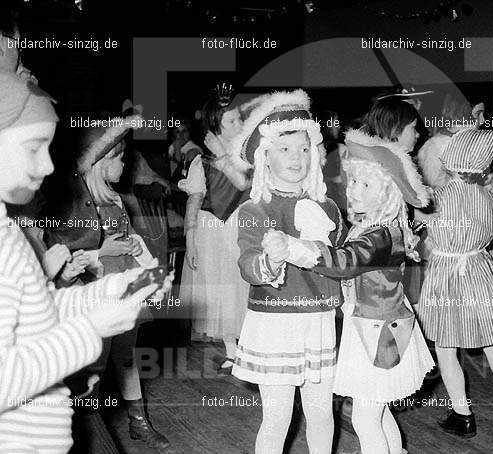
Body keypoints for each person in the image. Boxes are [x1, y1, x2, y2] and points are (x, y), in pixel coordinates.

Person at [0, 71, 166, 454]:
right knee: (97, 376)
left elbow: (34, 313)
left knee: (121, 361)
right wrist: (88, 328)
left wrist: (107, 292)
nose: (48, 166)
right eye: (33, 148)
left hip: (46, 434)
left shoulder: (9, 232)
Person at [270, 110, 435, 454]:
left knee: (364, 418)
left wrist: (296, 248)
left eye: (365, 185)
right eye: (353, 182)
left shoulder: (378, 237)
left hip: (379, 335)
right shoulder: (379, 229)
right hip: (377, 327)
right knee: (378, 408)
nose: (354, 191)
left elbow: (343, 263)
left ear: (387, 194)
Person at [43, 115, 171, 450]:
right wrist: (102, 250)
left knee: (127, 359)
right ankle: (90, 429)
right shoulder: (76, 209)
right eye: (120, 157)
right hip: (95, 296)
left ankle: (139, 422)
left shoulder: (116, 200)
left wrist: (146, 263)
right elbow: (72, 261)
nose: (126, 163)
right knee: (94, 363)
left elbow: (133, 242)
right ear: (101, 163)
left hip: (125, 293)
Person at [229, 89, 345, 454]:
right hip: (276, 321)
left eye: (304, 148)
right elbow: (247, 263)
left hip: (319, 319)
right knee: (277, 417)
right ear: (265, 157)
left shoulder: (328, 206)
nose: (297, 158)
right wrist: (270, 260)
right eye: (285, 149)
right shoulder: (255, 209)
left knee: (322, 411)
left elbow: (342, 260)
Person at [416, 128, 493, 438]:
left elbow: (419, 220)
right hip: (479, 267)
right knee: (492, 336)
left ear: (450, 162)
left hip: (446, 271)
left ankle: (462, 415)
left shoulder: (436, 197)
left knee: (446, 346)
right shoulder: (487, 195)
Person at [178, 84, 251, 369]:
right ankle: (232, 349)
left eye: (240, 118)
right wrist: (190, 240)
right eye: (232, 120)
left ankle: (249, 344)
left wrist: (223, 153)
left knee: (243, 283)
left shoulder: (248, 159)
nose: (240, 124)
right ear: (215, 127)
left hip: (242, 227)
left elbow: (244, 184)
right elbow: (194, 203)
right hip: (213, 230)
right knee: (222, 289)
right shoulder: (202, 161)